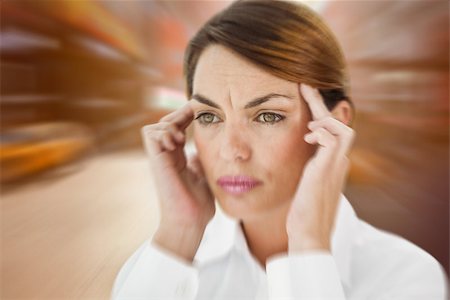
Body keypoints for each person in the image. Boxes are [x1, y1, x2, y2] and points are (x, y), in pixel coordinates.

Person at [112, 0, 448, 299]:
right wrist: (180, 232)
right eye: (209, 116)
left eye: (268, 115)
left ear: (335, 125)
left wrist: (307, 249)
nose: (231, 150)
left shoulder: (407, 276)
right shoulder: (157, 266)